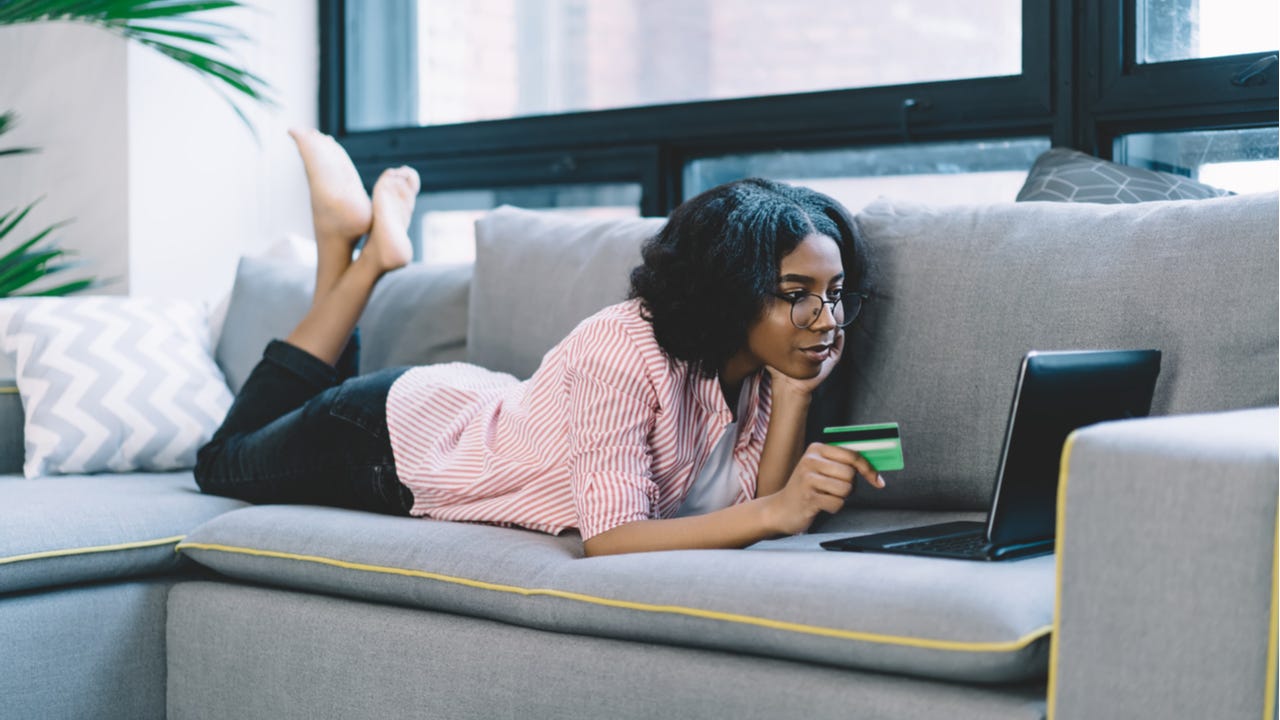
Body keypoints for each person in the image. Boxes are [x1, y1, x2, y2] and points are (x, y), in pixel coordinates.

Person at [194, 128, 885, 557]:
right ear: (730, 288)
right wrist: (778, 510)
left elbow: (746, 505)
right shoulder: (622, 349)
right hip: (385, 438)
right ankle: (363, 263)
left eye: (833, 293)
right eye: (796, 295)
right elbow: (611, 539)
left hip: (466, 408)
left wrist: (795, 394)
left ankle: (342, 241)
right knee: (222, 465)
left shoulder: (761, 367)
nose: (826, 318)